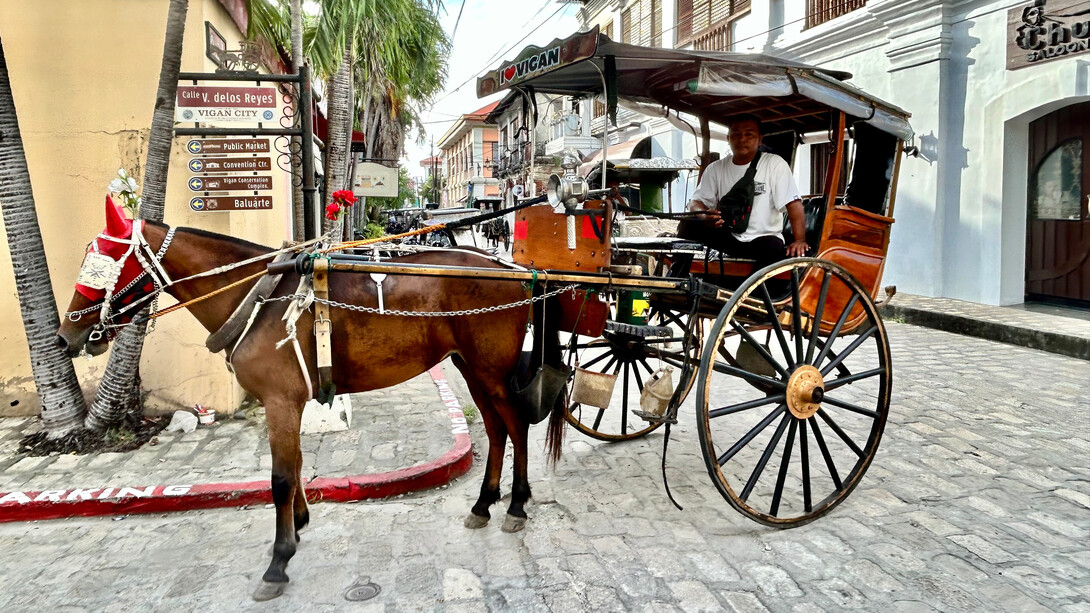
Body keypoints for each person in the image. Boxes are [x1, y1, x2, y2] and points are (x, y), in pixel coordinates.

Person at [677, 115, 808, 271]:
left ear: (759, 139)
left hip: (763, 240)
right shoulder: (715, 168)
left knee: (773, 248)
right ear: (728, 138)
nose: (742, 139)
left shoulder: (775, 164)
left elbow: (793, 204)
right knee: (688, 224)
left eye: (749, 134)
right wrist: (704, 216)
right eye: (736, 134)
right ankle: (679, 276)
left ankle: (756, 294)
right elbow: (695, 202)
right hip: (729, 237)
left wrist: (800, 239)